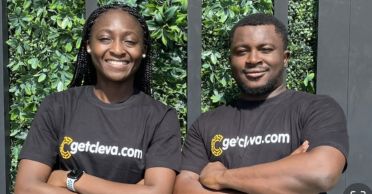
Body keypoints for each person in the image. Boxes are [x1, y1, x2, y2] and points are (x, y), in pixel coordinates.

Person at [15, 4, 181, 194]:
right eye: (105, 39)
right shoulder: (58, 107)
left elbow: (158, 192)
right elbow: (26, 188)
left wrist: (72, 179)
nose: (117, 49)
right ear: (88, 45)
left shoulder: (160, 118)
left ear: (143, 50)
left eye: (130, 41)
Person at [174, 13, 348, 194]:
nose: (253, 59)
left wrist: (221, 178)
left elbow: (321, 173)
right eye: (242, 51)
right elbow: (183, 186)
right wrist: (285, 172)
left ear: (285, 57)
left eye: (265, 49)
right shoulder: (206, 123)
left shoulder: (317, 109)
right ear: (230, 60)